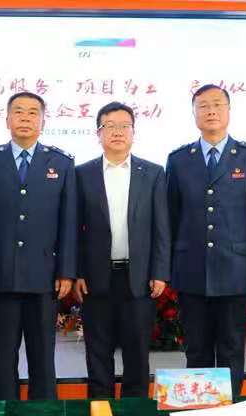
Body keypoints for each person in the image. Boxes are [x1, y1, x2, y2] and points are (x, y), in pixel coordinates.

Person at [166, 84, 246, 399]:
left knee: (231, 347)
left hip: (235, 269)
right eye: (203, 105)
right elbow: (170, 218)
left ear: (228, 111)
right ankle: (198, 410)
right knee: (196, 348)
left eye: (217, 104)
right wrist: (166, 267)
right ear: (194, 113)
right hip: (191, 268)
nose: (210, 111)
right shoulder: (179, 159)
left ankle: (230, 410)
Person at [0, 92, 77, 400]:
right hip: (0, 275)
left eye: (33, 112)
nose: (25, 118)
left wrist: (66, 270)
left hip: (44, 277)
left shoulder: (61, 163)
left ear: (43, 121)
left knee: (42, 358)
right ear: (7, 119)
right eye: (18, 111)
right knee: (2, 358)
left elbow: (69, 222)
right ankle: (1, 415)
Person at [74, 102, 170, 398]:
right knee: (97, 352)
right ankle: (100, 410)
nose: (117, 132)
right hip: (96, 278)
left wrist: (160, 271)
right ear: (98, 133)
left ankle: (135, 411)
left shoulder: (153, 173)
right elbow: (73, 230)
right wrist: (77, 272)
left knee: (137, 352)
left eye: (124, 126)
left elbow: (162, 227)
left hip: (138, 277)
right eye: (110, 126)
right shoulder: (82, 174)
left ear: (133, 132)